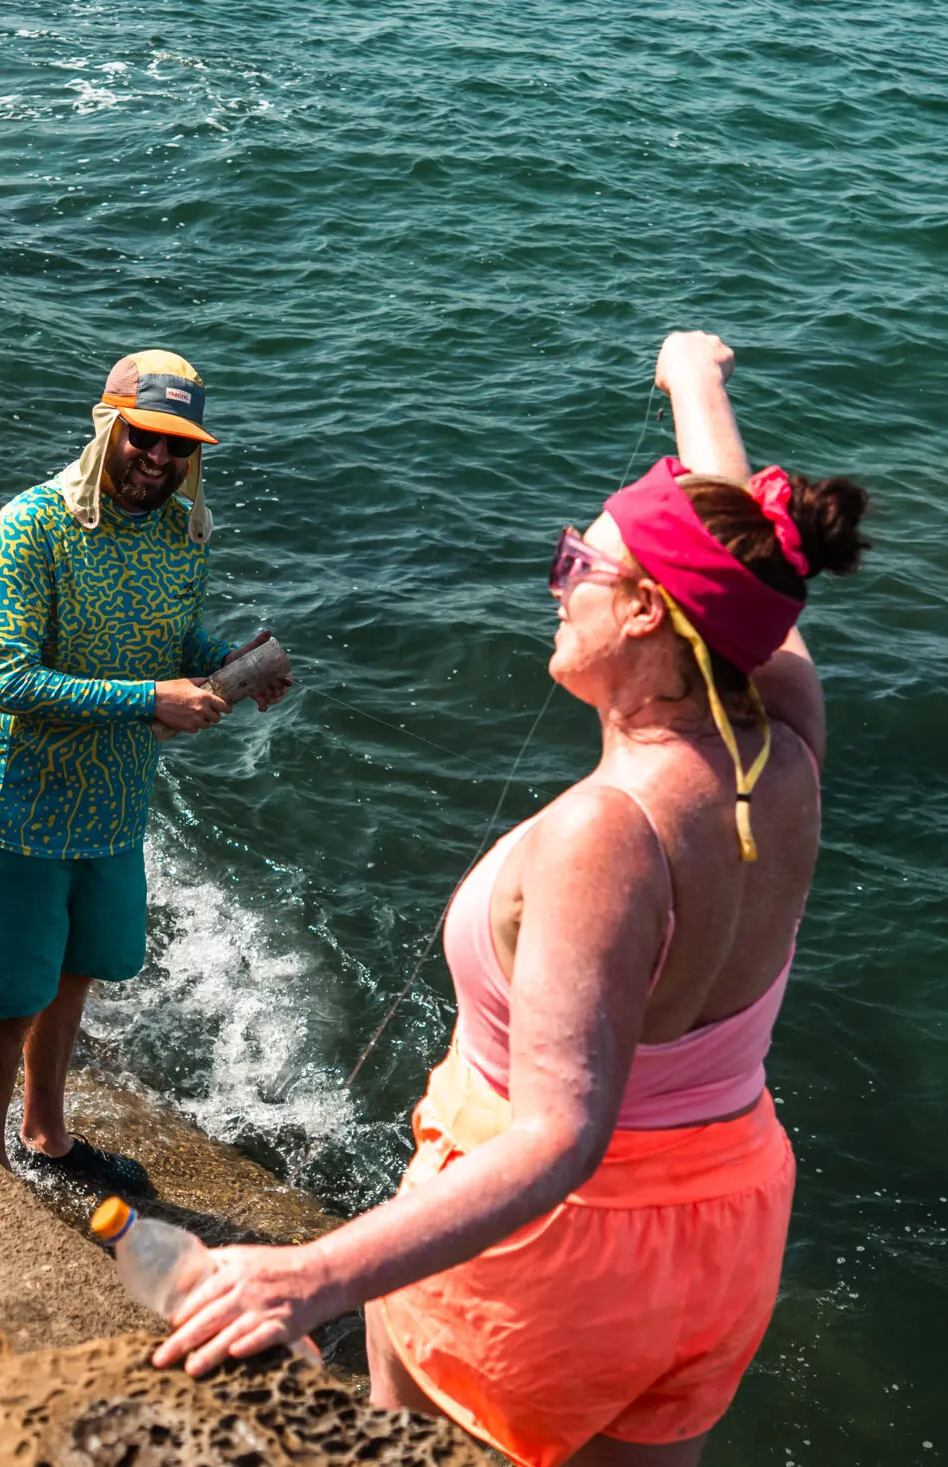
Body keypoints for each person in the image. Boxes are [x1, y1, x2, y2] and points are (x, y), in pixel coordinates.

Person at [150, 331, 872, 1467]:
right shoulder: (781, 740)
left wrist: (308, 1275)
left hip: (552, 1257)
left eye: (577, 562)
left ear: (643, 612)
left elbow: (560, 1138)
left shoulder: (609, 832)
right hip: (725, 1233)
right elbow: (747, 573)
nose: (559, 580)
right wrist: (694, 383)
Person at [0, 350, 291, 1188]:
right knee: (8, 1003)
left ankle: (47, 1134)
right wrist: (149, 701)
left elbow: (174, 639)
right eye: (144, 437)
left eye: (179, 447)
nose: (160, 459)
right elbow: (8, 681)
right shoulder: (29, 528)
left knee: (75, 976)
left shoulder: (180, 532)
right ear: (109, 427)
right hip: (18, 805)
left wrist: (231, 665)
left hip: (111, 804)